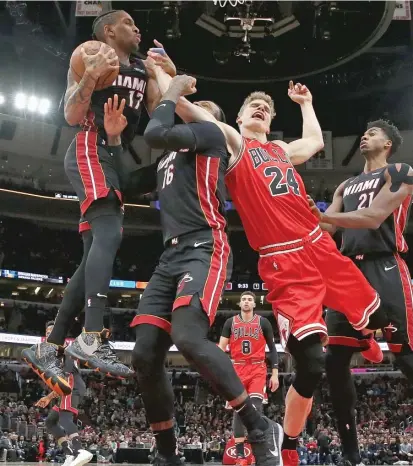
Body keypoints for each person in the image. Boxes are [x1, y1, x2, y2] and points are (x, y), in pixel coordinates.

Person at [147, 48, 384, 466]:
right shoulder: (234, 143)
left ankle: (365, 330)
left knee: (373, 316)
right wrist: (168, 76)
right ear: (238, 118)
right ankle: (288, 443)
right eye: (254, 105)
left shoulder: (279, 150)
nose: (262, 108)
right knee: (312, 361)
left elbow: (311, 141)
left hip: (320, 245)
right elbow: (185, 108)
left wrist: (307, 105)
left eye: (268, 109)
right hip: (285, 261)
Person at [131, 73, 283, 466]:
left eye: (200, 112)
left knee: (189, 337)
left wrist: (172, 92)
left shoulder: (209, 136)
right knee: (145, 356)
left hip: (205, 245)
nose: (191, 114)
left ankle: (257, 425)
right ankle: (167, 454)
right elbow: (127, 180)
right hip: (169, 258)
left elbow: (156, 130)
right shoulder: (170, 154)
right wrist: (114, 135)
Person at [21, 8, 172, 396]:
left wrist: (166, 75)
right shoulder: (89, 55)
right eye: (128, 23)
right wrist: (89, 75)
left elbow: (161, 116)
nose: (137, 28)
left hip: (114, 151)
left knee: (94, 254)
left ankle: (49, 344)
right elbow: (71, 114)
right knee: (110, 232)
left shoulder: (141, 68)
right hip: (90, 145)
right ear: (108, 31)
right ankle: (91, 333)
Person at [308, 120, 413, 466]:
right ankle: (351, 455)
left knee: (406, 355)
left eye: (373, 132)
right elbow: (328, 226)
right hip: (348, 271)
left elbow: (373, 217)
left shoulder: (400, 170)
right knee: (334, 362)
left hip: (385, 266)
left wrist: (326, 219)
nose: (365, 134)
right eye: (364, 130)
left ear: (388, 144)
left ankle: (370, 336)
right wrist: (308, 212)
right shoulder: (345, 184)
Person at [218, 291, 279, 466]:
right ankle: (240, 457)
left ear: (254, 304)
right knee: (240, 409)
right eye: (243, 299)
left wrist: (274, 374)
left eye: (249, 300)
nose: (246, 302)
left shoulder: (263, 322)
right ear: (239, 304)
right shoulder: (230, 322)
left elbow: (273, 349)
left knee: (256, 408)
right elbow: (221, 348)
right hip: (236, 368)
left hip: (257, 367)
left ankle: (258, 452)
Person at [34, 321, 93, 466]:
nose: (49, 334)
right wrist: (49, 397)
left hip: (70, 385)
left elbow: (67, 378)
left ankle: (79, 451)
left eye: (52, 332)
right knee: (50, 421)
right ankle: (69, 454)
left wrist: (49, 397)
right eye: (47, 332)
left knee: (64, 418)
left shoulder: (65, 350)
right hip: (65, 388)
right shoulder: (54, 353)